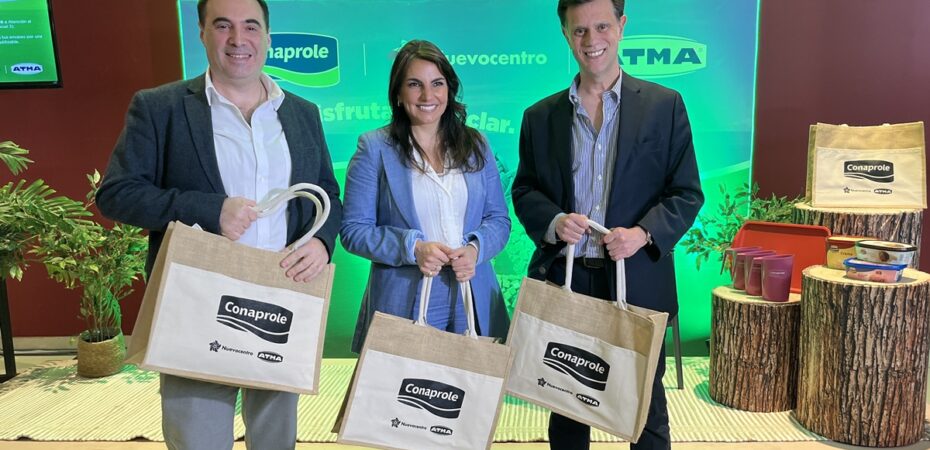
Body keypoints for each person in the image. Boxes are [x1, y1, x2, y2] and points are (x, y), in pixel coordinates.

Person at [95, 0, 342, 448]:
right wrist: (210, 210)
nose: (238, 39)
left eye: (251, 26)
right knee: (198, 438)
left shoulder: (301, 112)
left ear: (268, 37)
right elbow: (117, 194)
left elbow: (327, 190)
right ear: (202, 33)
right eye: (223, 25)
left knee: (276, 440)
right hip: (196, 301)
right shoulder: (160, 107)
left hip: (282, 299)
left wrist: (322, 242)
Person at [511, 0, 704, 448]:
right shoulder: (539, 117)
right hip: (568, 281)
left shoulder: (665, 106)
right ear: (565, 33)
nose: (591, 40)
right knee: (566, 404)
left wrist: (643, 234)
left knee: (644, 409)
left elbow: (687, 192)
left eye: (601, 26)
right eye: (579, 30)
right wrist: (555, 221)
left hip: (637, 281)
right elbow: (525, 190)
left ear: (621, 25)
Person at [340, 40, 511, 351]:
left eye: (437, 83)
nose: (427, 96)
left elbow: (498, 219)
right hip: (405, 295)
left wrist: (475, 250)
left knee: (473, 382)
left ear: (449, 89)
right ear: (398, 93)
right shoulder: (374, 148)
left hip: (472, 288)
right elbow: (353, 231)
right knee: (406, 383)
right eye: (414, 84)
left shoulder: (477, 144)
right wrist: (413, 248)